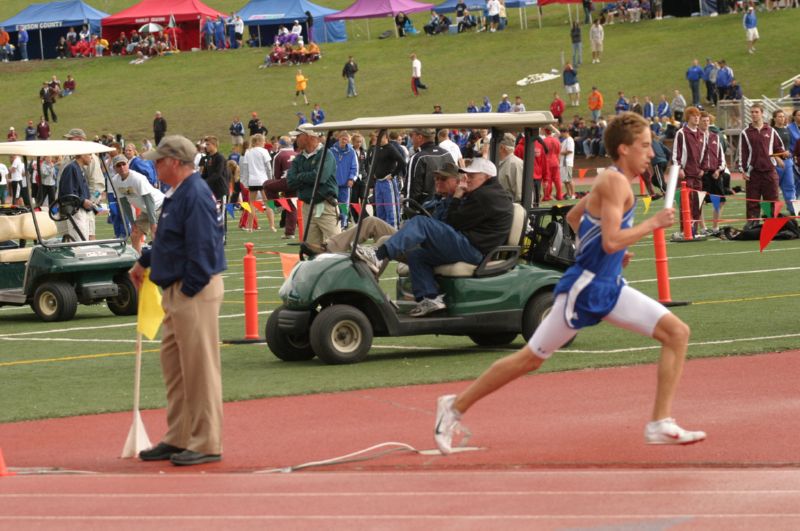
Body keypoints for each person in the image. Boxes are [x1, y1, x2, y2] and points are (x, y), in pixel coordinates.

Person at [433, 112, 706, 455]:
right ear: (624, 149)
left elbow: (577, 219)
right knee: (530, 358)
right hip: (587, 289)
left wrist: (605, 253)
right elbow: (609, 239)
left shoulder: (615, 181)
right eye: (646, 146)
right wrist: (650, 226)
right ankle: (453, 406)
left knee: (676, 333)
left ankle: (660, 423)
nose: (651, 153)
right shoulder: (614, 182)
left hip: (608, 284)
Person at [132, 136, 226, 467]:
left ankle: (206, 441)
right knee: (176, 370)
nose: (154, 166)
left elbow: (204, 248)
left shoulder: (195, 194)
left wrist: (187, 292)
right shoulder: (179, 194)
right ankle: (180, 435)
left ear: (174, 162)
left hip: (192, 290)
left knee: (199, 371)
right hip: (177, 289)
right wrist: (144, 262)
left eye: (158, 161)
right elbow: (172, 240)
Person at [356, 157, 513, 317]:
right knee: (417, 255)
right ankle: (430, 297)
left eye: (472, 176)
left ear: (486, 177)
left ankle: (378, 255)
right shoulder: (489, 194)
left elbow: (453, 221)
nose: (468, 179)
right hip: (473, 246)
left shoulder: (484, 196)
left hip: (474, 249)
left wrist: (457, 196)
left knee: (421, 223)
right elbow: (454, 221)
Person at [287, 129, 339, 246]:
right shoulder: (299, 158)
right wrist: (309, 177)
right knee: (311, 247)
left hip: (325, 204)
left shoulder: (326, 154)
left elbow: (320, 177)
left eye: (298, 136)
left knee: (336, 244)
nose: (296, 140)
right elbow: (290, 181)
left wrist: (300, 176)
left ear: (308, 136)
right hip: (307, 206)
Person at [739, 103, 787, 228]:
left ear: (762, 113)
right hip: (753, 173)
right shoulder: (745, 132)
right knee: (752, 201)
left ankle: (772, 223)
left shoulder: (771, 131)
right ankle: (752, 224)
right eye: (752, 112)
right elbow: (742, 152)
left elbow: (779, 148)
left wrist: (781, 155)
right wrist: (743, 170)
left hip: (769, 171)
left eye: (756, 112)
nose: (754, 114)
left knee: (771, 200)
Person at [111, 155, 164, 253]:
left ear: (128, 164)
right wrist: (132, 222)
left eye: (124, 164)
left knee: (156, 235)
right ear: (114, 168)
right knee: (135, 235)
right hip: (146, 210)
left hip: (160, 205)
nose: (122, 167)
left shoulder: (137, 178)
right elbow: (124, 202)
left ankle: (162, 264)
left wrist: (153, 224)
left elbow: (149, 200)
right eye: (118, 165)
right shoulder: (115, 180)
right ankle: (138, 262)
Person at [671, 106, 705, 237]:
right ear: (688, 117)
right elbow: (675, 153)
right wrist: (679, 168)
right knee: (686, 203)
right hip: (686, 173)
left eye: (698, 115)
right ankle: (684, 230)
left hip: (698, 174)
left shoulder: (701, 134)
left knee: (698, 203)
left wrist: (703, 168)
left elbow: (704, 152)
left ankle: (694, 229)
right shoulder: (681, 133)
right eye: (693, 115)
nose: (697, 118)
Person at [404, 127, 452, 206]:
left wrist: (410, 209)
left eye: (412, 135)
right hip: (446, 206)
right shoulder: (446, 154)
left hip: (425, 209)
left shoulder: (418, 158)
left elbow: (413, 188)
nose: (411, 139)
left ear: (420, 137)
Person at [699, 112, 727, 234]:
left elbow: (721, 155)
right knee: (699, 202)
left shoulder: (715, 137)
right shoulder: (695, 137)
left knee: (720, 201)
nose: (706, 123)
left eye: (707, 121)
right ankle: (703, 228)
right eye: (703, 120)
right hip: (701, 174)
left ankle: (715, 227)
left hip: (715, 173)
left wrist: (719, 169)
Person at [56, 152, 95, 241]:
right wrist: (83, 201)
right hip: (75, 211)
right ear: (82, 155)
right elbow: (68, 193)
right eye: (89, 155)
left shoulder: (79, 169)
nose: (91, 158)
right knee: (79, 241)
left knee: (84, 239)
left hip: (81, 210)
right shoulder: (71, 168)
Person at [330, 131, 359, 229]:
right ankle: (333, 225)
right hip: (332, 184)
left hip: (345, 185)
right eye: (343, 138)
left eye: (346, 139)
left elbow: (355, 168)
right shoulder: (331, 151)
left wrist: (351, 179)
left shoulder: (351, 152)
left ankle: (344, 224)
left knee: (344, 206)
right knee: (332, 205)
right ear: (339, 138)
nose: (344, 141)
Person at [200, 137, 229, 204]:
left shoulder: (220, 158)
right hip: (211, 190)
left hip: (220, 190)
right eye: (205, 144)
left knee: (221, 213)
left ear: (214, 145)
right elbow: (205, 173)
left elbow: (217, 174)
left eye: (208, 144)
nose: (206, 146)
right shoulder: (208, 158)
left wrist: (205, 181)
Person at [497, 133, 523, 202]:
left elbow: (520, 195)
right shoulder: (500, 162)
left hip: (510, 209)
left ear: (502, 148)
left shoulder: (515, 164)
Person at [560, 127, 576, 199]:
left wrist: (560, 153)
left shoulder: (570, 140)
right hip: (563, 162)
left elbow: (570, 150)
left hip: (567, 162)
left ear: (565, 132)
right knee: (565, 180)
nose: (561, 135)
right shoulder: (565, 140)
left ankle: (573, 194)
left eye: (562, 133)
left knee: (569, 179)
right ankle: (569, 194)